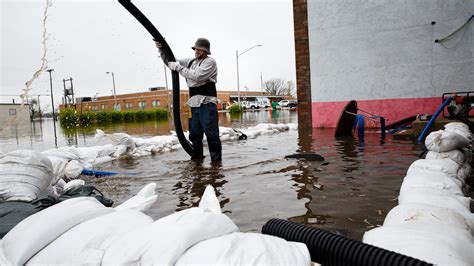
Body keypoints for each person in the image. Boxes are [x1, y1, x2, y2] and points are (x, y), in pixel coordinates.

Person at [155, 38, 222, 162]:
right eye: (196, 49)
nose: (197, 51)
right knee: (195, 134)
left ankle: (216, 164)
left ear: (205, 50)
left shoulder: (210, 62)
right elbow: (171, 61)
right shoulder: (190, 62)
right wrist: (161, 49)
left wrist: (179, 68)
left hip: (207, 103)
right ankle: (197, 161)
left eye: (199, 49)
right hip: (194, 105)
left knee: (211, 134)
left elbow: (197, 76)